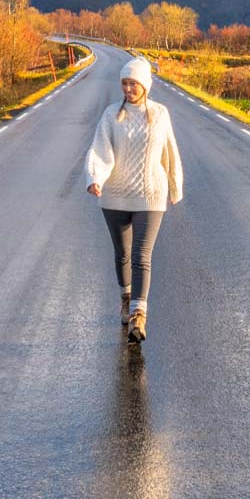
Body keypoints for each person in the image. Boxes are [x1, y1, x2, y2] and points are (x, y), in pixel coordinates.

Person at [85, 57, 183, 343]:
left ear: (145, 85)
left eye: (133, 84)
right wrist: (95, 178)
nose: (128, 89)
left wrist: (175, 187)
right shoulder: (111, 115)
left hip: (151, 194)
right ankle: (126, 299)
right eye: (125, 84)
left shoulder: (161, 114)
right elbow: (100, 151)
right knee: (123, 254)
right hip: (115, 195)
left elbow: (170, 151)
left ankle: (139, 315)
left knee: (142, 256)